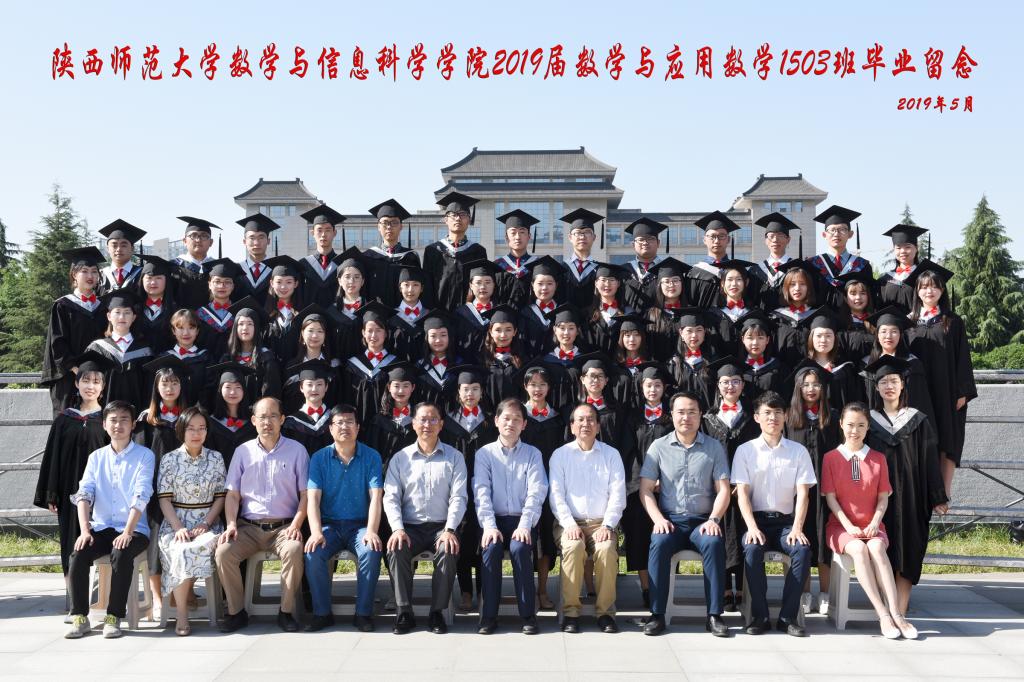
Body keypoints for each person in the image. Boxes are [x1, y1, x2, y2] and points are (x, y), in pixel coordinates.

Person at [863, 356, 948, 620]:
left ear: (902, 385)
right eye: (884, 382)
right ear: (876, 387)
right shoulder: (868, 421)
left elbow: (930, 460)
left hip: (912, 496)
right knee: (881, 548)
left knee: (909, 549)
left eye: (894, 381)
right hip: (877, 498)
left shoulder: (918, 420)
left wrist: (937, 496)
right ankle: (887, 609)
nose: (889, 386)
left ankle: (900, 609)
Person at [641, 391, 731, 637]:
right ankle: (657, 615)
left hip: (703, 522)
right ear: (671, 415)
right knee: (659, 542)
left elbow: (724, 489)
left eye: (692, 412)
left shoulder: (714, 447)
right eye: (681, 412)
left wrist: (714, 519)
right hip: (670, 521)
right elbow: (645, 489)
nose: (686, 417)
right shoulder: (658, 447)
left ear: (701, 415)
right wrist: (658, 519)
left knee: (713, 543)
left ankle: (714, 615)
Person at [216, 396, 309, 633]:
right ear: (253, 420)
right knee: (224, 552)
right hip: (248, 527)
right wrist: (231, 524)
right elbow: (232, 495)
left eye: (273, 416)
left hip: (284, 528)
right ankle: (236, 612)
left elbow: (306, 495)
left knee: (294, 550)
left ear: (282, 419)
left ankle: (286, 612)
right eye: (263, 417)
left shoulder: (297, 451)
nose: (267, 422)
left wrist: (296, 525)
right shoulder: (242, 452)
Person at [64, 401, 155, 639]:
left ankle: (114, 616)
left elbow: (141, 495)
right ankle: (80, 616)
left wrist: (127, 532)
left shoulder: (145, 456)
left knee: (121, 553)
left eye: (124, 419)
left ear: (133, 425)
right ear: (104, 424)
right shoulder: (96, 457)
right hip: (102, 527)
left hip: (135, 529)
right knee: (78, 554)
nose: (118, 425)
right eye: (113, 420)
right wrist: (85, 530)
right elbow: (84, 493)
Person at [821, 402, 912, 639]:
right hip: (840, 527)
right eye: (850, 425)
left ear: (868, 427)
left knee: (877, 548)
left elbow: (883, 498)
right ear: (841, 424)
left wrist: (874, 522)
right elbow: (831, 499)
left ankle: (897, 614)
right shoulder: (830, 458)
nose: (855, 430)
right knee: (859, 550)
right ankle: (883, 614)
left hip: (873, 524)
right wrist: (849, 526)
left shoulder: (878, 459)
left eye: (861, 425)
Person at [732, 391, 817, 637]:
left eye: (778, 412)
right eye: (767, 413)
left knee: (802, 550)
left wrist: (798, 528)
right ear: (757, 417)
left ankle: (787, 617)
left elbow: (803, 494)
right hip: (756, 521)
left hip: (785, 524)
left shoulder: (798, 451)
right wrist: (751, 527)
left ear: (786, 416)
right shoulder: (745, 451)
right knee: (752, 549)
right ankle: (759, 616)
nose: (773, 418)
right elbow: (742, 494)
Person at [383, 402, 468, 635]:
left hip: (442, 527)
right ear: (413, 424)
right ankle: (404, 612)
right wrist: (397, 529)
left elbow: (459, 497)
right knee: (396, 547)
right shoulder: (400, 458)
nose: (427, 424)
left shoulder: (454, 457)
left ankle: (437, 612)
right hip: (410, 527)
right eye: (422, 419)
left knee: (448, 549)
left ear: (441, 424)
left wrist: (450, 530)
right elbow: (391, 497)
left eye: (433, 419)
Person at [303, 404, 384, 633]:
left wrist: (372, 530)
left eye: (349, 422)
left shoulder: (371, 456)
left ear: (358, 427)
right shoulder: (319, 458)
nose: (344, 427)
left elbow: (376, 497)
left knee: (371, 549)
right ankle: (322, 613)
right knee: (313, 552)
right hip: (330, 525)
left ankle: (363, 613)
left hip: (360, 526)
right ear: (330, 428)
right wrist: (316, 532)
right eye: (339, 422)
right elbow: (313, 499)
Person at [548, 402, 627, 634]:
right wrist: (569, 524)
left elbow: (618, 495)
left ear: (598, 426)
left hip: (602, 523)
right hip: (568, 522)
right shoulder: (560, 455)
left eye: (591, 419)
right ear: (572, 426)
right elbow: (556, 495)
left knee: (606, 549)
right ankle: (571, 613)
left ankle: (605, 613)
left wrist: (608, 525)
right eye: (580, 420)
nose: (586, 424)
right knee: (573, 547)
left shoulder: (611, 455)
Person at [34, 351, 111, 583]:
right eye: (85, 381)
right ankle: (73, 594)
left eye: (96, 382)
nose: (90, 386)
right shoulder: (64, 420)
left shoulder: (108, 420)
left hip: (101, 491)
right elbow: (53, 458)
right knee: (70, 540)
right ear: (77, 384)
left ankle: (101, 592)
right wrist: (52, 492)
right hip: (69, 490)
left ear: (103, 387)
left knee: (99, 538)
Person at [474, 398, 549, 635]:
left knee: (520, 548)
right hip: (493, 520)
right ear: (496, 421)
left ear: (524, 424)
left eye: (517, 419)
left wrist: (525, 525)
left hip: (522, 520)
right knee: (491, 548)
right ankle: (489, 616)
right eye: (506, 418)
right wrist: (488, 526)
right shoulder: (484, 454)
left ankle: (528, 615)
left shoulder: (533, 454)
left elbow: (537, 492)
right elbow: (481, 492)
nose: (511, 423)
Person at [904, 262, 977, 499]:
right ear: (917, 291)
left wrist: (962, 391)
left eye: (935, 287)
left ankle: (944, 492)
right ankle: (923, 491)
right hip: (917, 391)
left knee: (947, 438)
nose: (929, 291)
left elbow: (963, 358)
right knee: (922, 438)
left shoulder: (952, 321)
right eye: (924, 287)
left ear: (942, 290)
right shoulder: (907, 323)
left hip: (946, 390)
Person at [155, 405, 226, 636]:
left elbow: (221, 496)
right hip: (176, 521)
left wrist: (206, 523)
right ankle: (182, 612)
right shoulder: (169, 459)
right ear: (181, 430)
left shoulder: (216, 458)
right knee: (180, 548)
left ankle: (184, 601)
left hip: (208, 521)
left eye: (201, 428)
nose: (197, 433)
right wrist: (178, 527)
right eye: (191, 428)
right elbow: (164, 499)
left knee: (196, 546)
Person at [701, 356, 760, 612]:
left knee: (743, 530)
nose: (730, 386)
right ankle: (724, 588)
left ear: (743, 386)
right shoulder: (708, 418)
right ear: (718, 385)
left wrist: (743, 482)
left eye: (736, 381)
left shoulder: (752, 417)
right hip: (717, 488)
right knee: (721, 533)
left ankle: (743, 586)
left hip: (746, 487)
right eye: (725, 382)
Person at [783, 361, 841, 616]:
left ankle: (826, 593)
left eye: (816, 384)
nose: (811, 389)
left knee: (824, 540)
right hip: (798, 491)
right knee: (803, 537)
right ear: (798, 388)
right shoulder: (788, 418)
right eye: (805, 384)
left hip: (827, 489)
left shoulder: (833, 417)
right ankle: (804, 592)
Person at [440, 365, 497, 611]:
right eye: (466, 389)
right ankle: (465, 591)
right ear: (458, 392)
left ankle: (483, 590)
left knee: (483, 534)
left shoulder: (491, 421)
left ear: (482, 392)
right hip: (458, 486)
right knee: (461, 535)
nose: (470, 394)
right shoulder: (449, 421)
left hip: (485, 487)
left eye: (475, 389)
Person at [518, 363, 566, 610]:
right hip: (521, 485)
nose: (537, 389)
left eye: (542, 384)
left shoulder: (557, 418)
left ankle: (543, 590)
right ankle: (525, 591)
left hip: (549, 485)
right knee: (525, 537)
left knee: (546, 539)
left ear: (549, 388)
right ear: (525, 386)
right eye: (533, 384)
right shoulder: (518, 417)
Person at [43, 246, 110, 417]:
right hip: (69, 377)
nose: (90, 276)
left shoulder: (103, 307)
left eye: (94, 271)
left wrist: (94, 374)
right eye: (84, 271)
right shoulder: (63, 305)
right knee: (68, 422)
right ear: (74, 274)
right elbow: (57, 343)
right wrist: (77, 370)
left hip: (96, 378)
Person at [86, 290, 153, 411]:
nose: (122, 317)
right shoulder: (96, 349)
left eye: (127, 312)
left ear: (134, 317)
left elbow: (149, 388)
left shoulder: (145, 351)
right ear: (109, 316)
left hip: (137, 414)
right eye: (117, 312)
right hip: (103, 414)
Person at [423, 191, 488, 312]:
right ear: (445, 220)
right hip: (438, 314)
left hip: (469, 313)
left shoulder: (478, 251)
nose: (458, 218)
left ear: (469, 219)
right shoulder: (433, 250)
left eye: (463, 214)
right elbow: (427, 286)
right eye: (453, 215)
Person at [808, 205, 872, 308]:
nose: (836, 234)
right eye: (832, 230)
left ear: (850, 234)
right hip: (821, 317)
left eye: (842, 229)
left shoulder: (862, 265)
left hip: (853, 317)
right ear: (824, 235)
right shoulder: (812, 264)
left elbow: (869, 298)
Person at [362, 199, 422, 308]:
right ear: (378, 227)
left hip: (403, 313)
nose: (389, 227)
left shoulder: (410, 256)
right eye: (385, 223)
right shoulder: (368, 256)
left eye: (394, 222)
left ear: (401, 227)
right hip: (376, 313)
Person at [686, 211, 742, 308]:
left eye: (721, 236)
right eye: (712, 236)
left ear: (728, 240)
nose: (716, 241)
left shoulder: (738, 271)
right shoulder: (694, 273)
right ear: (704, 240)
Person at [282, 360, 335, 455]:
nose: (314, 389)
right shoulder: (291, 423)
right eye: (309, 385)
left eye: (319, 384)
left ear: (326, 387)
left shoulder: (335, 419)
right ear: (301, 387)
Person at [297, 204, 344, 307]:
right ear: (312, 233)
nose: (323, 234)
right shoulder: (303, 265)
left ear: (334, 233)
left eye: (328, 230)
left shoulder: (342, 263)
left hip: (337, 316)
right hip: (310, 316)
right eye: (319, 230)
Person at [750, 212, 799, 311]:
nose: (775, 240)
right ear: (766, 240)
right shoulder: (755, 271)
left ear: (788, 239)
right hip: (761, 319)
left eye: (780, 235)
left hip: (789, 318)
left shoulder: (797, 268)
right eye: (771, 236)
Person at [493, 208, 541, 308]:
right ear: (506, 237)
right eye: (513, 233)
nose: (518, 237)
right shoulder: (496, 266)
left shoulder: (538, 265)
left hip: (531, 316)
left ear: (529, 236)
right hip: (503, 316)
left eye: (522, 232)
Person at [877, 224, 929, 314]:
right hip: (891, 322)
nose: (902, 251)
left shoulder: (925, 277)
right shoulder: (884, 280)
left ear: (916, 248)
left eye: (907, 247)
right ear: (894, 250)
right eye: (898, 247)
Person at [169, 216, 220, 310]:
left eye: (204, 236)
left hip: (212, 318)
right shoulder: (172, 267)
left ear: (211, 242)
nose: (198, 240)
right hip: (181, 318)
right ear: (184, 241)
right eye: (193, 235)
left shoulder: (218, 267)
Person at [195, 258, 240, 359]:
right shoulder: (199, 314)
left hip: (234, 363)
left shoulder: (239, 313)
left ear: (233, 286)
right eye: (217, 281)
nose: (222, 286)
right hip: (205, 363)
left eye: (227, 282)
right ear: (210, 285)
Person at [233, 213, 281, 305]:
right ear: (244, 241)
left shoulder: (276, 269)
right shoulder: (236, 270)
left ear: (268, 241)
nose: (256, 242)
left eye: (261, 237)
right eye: (252, 238)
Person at [621, 217, 668, 310]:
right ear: (633, 245)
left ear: (658, 243)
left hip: (660, 318)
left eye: (650, 239)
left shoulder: (667, 268)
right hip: (630, 319)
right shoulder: (623, 270)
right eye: (641, 239)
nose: (645, 243)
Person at [559, 208, 602, 310]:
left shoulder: (600, 270)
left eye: (587, 232)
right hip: (566, 319)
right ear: (570, 237)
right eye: (577, 233)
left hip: (593, 319)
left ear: (594, 237)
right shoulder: (560, 269)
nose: (582, 237)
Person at [134, 254, 176, 354]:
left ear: (167, 281)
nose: (153, 282)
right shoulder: (133, 308)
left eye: (158, 278)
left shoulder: (175, 309)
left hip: (167, 359)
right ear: (142, 280)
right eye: (149, 278)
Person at [96, 219, 147, 295]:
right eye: (114, 245)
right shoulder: (100, 276)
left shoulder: (143, 275)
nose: (119, 249)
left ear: (132, 249)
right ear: (108, 249)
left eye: (123, 245)